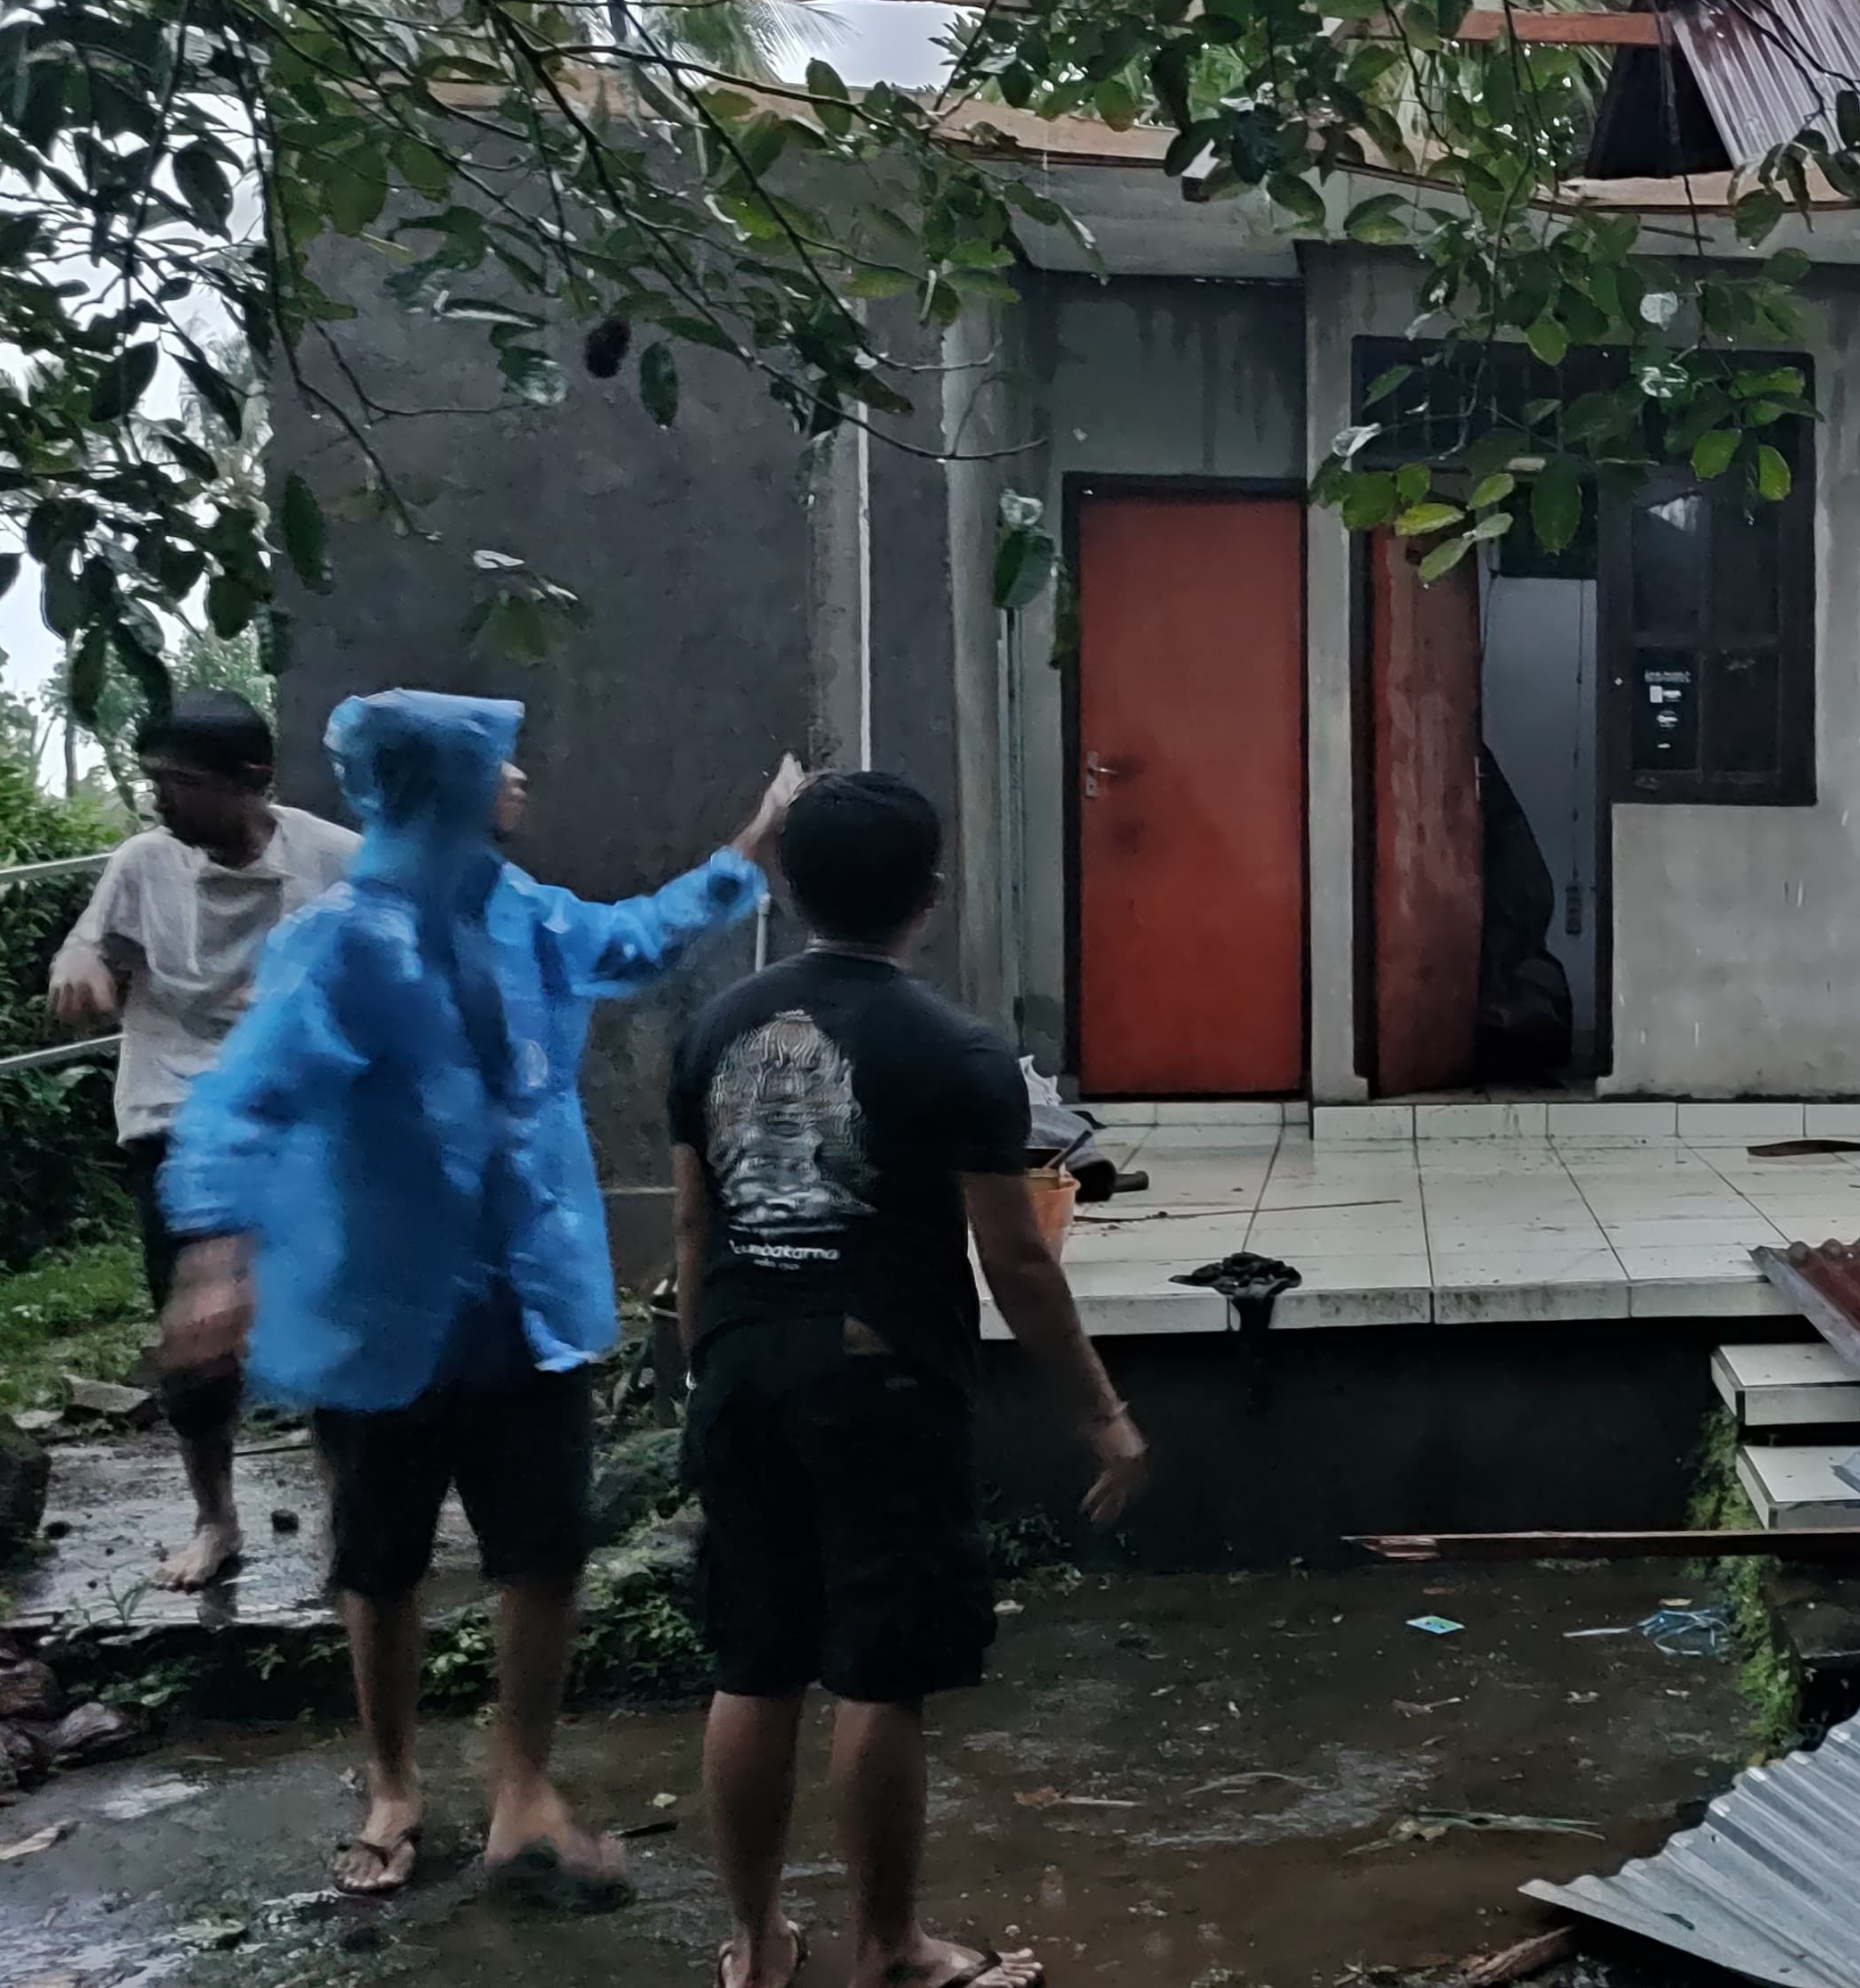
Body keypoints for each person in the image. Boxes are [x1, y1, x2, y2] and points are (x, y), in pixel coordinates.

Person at [158, 691, 798, 1901]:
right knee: (381, 1561)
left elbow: (636, 939)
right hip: (386, 1310)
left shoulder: (527, 919)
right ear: (446, 789)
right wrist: (218, 1256)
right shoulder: (341, 943)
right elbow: (246, 1099)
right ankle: (395, 1783)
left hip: (525, 1302)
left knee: (542, 1552)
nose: (520, 784)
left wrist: (745, 854)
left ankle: (522, 1787)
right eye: (500, 769)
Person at [670, 771, 1146, 1988]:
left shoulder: (714, 1029)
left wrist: (704, 1370)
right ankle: (891, 1949)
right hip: (876, 1383)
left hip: (739, 1368)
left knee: (755, 1659)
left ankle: (755, 1942)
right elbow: (1018, 1261)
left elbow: (693, 1231)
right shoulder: (956, 1051)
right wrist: (1100, 1414)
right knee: (878, 1673)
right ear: (927, 900)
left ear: (789, 880)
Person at [47, 689, 359, 1590]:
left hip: (299, 1124)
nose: (161, 799)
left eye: (180, 782)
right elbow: (90, 948)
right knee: (198, 1348)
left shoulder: (335, 860)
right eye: (154, 780)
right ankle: (215, 1519)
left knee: (327, 1336)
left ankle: (343, 1520)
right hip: (175, 1122)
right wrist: (80, 965)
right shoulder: (144, 862)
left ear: (250, 780)